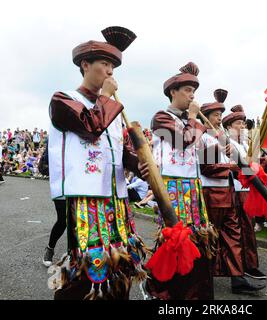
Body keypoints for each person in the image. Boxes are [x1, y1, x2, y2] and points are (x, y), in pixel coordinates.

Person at [46, 27, 149, 300]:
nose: (110, 70)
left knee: (119, 261)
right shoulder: (64, 100)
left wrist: (142, 167)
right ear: (85, 65)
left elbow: (122, 153)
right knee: (89, 265)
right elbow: (91, 128)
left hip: (116, 199)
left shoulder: (112, 109)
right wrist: (105, 97)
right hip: (87, 202)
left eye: (113, 65)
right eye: (104, 63)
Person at [148, 62, 216, 300]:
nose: (192, 95)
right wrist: (195, 117)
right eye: (187, 90)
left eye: (193, 91)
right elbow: (183, 141)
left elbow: (203, 153)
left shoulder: (193, 122)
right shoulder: (161, 117)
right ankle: (165, 291)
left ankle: (194, 293)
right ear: (173, 92)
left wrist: (218, 143)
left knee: (196, 236)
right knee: (175, 237)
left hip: (193, 185)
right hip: (172, 185)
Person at [199, 93, 265, 295]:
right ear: (206, 117)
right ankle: (202, 278)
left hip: (227, 192)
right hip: (211, 192)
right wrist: (233, 167)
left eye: (221, 114)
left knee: (233, 237)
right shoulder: (204, 138)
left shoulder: (223, 138)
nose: (219, 118)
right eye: (216, 115)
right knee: (210, 238)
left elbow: (238, 166)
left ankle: (238, 279)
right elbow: (207, 168)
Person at [223, 105, 267, 282]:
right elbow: (235, 168)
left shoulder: (245, 144)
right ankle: (244, 266)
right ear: (228, 127)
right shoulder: (228, 144)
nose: (242, 126)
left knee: (248, 228)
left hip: (248, 189)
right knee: (242, 229)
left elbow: (249, 164)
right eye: (238, 123)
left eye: (243, 123)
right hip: (237, 190)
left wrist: (262, 161)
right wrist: (250, 168)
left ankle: (249, 264)